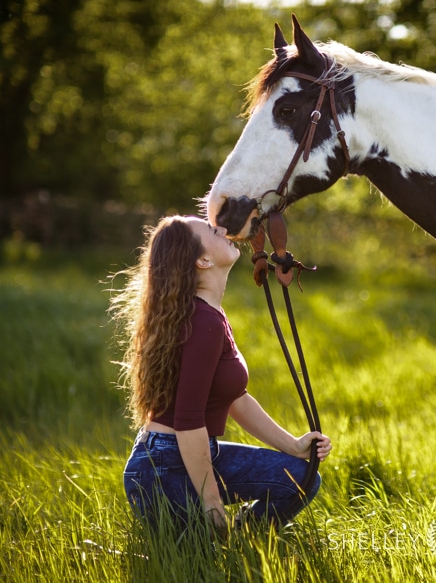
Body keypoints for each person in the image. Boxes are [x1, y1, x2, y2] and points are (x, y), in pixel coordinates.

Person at [111, 215, 331, 531]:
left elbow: (234, 398)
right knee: (200, 562)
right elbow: (188, 423)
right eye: (213, 231)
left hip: (191, 456)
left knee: (301, 479)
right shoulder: (203, 322)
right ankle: (222, 539)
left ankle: (243, 539)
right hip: (163, 469)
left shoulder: (209, 314)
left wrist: (293, 445)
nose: (224, 230)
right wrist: (211, 502)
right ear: (202, 260)